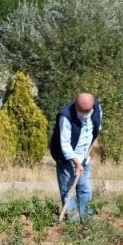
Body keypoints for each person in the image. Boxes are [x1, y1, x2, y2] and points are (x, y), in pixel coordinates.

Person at [49, 92, 102, 221]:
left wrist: (95, 137)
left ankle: (86, 219)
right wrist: (77, 163)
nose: (85, 114)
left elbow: (98, 124)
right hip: (66, 157)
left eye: (88, 111)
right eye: (82, 111)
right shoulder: (65, 116)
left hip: (85, 155)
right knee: (68, 190)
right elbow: (65, 145)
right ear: (76, 106)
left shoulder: (97, 108)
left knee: (85, 188)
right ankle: (72, 220)